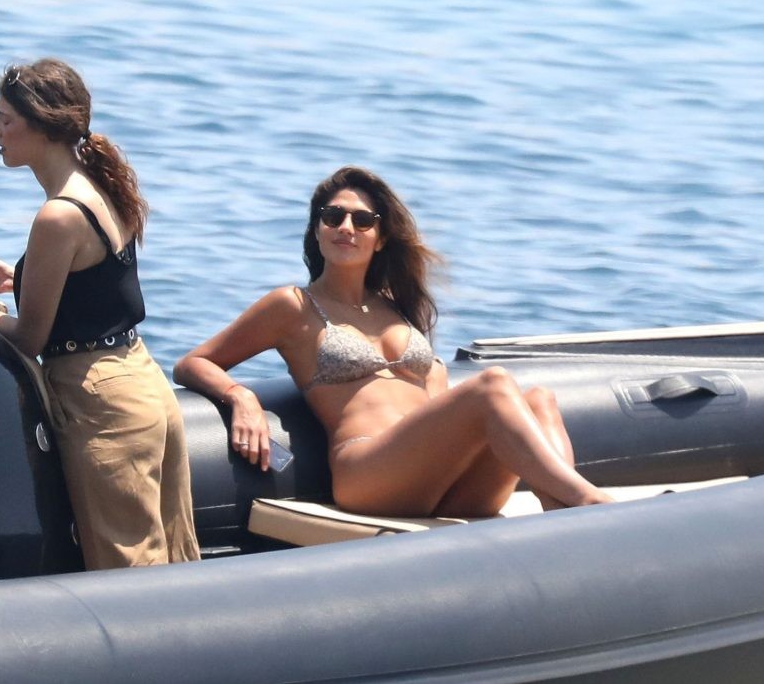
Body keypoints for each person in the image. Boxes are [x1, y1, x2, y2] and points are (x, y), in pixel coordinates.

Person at [174, 166, 613, 517]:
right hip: (368, 474)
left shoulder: (396, 308)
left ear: (381, 238)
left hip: (439, 481)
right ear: (317, 230)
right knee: (494, 383)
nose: (346, 226)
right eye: (333, 216)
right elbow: (194, 362)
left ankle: (565, 517)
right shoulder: (292, 306)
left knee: (539, 399)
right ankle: (588, 502)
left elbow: (433, 396)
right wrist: (240, 397)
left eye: (362, 220)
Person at [0, 58, 199, 567]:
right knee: (174, 561)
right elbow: (99, 285)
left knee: (126, 570)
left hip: (101, 403)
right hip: (140, 380)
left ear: (43, 126)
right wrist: (18, 278)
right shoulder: (101, 186)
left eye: (5, 119)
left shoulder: (58, 215)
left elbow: (29, 338)